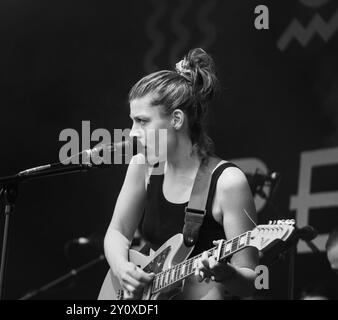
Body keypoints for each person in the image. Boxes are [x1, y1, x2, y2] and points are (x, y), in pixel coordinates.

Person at [103, 48, 259, 300]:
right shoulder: (141, 165)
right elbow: (118, 231)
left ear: (176, 119)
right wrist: (122, 269)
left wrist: (225, 273)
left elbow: (250, 281)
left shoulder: (228, 182)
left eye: (142, 121)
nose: (132, 132)